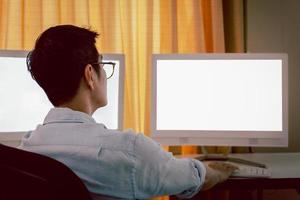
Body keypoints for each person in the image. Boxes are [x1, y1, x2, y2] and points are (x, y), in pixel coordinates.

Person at [18, 25, 237, 199]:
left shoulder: (25, 151)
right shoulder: (128, 152)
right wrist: (217, 171)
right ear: (90, 75)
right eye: (102, 65)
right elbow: (192, 177)